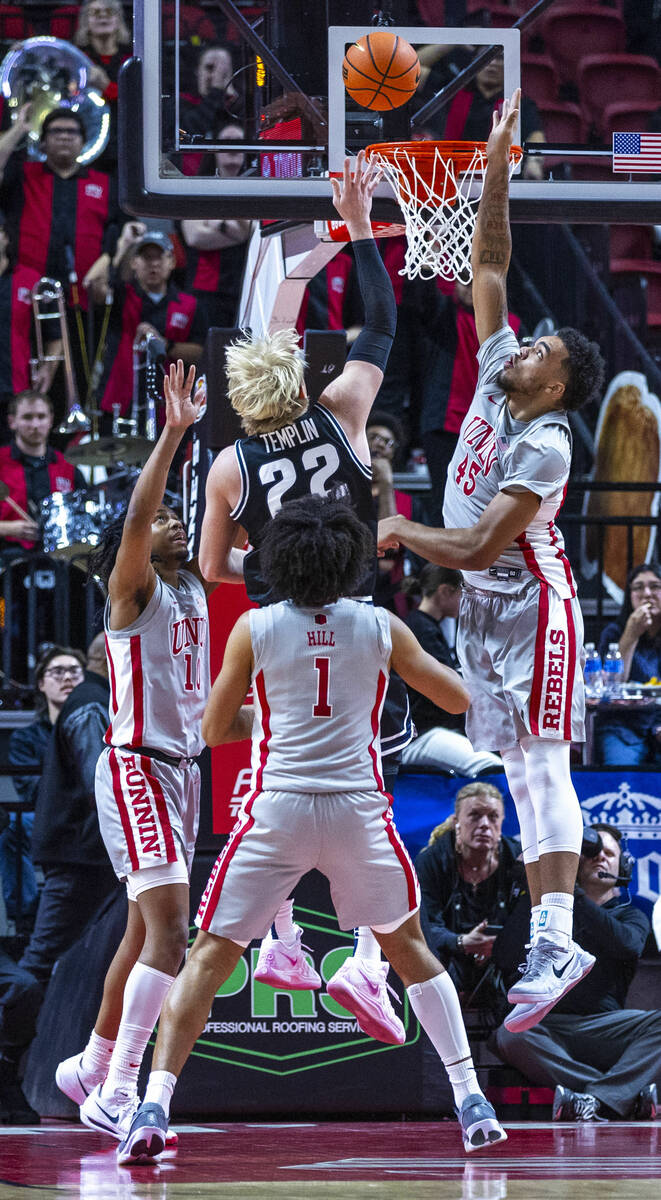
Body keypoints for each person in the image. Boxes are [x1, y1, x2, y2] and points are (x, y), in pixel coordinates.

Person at [120, 494, 507, 1164]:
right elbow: (455, 697)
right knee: (409, 951)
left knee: (209, 957)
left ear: (280, 562)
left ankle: (152, 1104)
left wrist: (269, 719)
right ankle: (471, 1100)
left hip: (280, 808)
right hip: (357, 807)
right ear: (351, 562)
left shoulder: (257, 626)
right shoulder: (381, 627)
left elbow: (213, 731)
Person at [378, 90, 607, 1035]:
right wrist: (496, 163)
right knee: (511, 770)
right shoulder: (496, 368)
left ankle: (558, 936)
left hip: (536, 606)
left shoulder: (548, 441)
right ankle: (551, 937)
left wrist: (398, 529)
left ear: (551, 381)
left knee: (544, 769)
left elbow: (475, 544)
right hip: (482, 610)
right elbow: (490, 258)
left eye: (540, 348)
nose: (521, 345)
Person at [197, 152, 414, 1043]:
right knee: (370, 796)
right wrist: (361, 227)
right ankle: (365, 961)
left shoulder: (228, 466)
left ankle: (282, 941)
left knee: (270, 800)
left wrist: (268, 557)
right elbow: (381, 321)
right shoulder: (343, 409)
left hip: (279, 633)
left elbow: (215, 572)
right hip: (359, 628)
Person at [55, 360, 214, 1147]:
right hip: (136, 764)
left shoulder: (196, 588)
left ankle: (89, 1061)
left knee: (142, 930)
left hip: (182, 769)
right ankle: (116, 1090)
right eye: (163, 520)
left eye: (179, 517)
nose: (174, 521)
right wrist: (173, 434)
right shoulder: (135, 586)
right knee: (171, 931)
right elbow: (137, 519)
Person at [0, 635, 115, 1124]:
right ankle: (6, 1070)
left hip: (90, 855)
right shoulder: (91, 707)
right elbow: (101, 782)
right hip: (83, 856)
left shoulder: (94, 701)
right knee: (36, 967)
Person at [492, 824, 661, 1122]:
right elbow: (505, 956)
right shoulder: (547, 914)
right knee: (508, 1035)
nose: (600, 859)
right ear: (574, 862)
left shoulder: (630, 915)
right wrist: (535, 891)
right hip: (545, 1025)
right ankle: (614, 1096)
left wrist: (568, 891)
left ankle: (592, 1099)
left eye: (609, 853)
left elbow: (626, 945)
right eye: (590, 853)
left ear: (622, 866)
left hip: (605, 1027)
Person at [416, 782, 526, 1021]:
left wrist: (497, 947)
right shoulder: (432, 861)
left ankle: (516, 1039)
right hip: (448, 956)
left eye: (493, 817)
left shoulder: (517, 860)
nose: (484, 825)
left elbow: (527, 924)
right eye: (474, 816)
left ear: (501, 823)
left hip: (503, 959)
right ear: (457, 821)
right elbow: (424, 928)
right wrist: (462, 942)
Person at [418, 279, 521, 526]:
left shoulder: (512, 325)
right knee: (444, 503)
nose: (466, 288)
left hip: (490, 431)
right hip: (445, 425)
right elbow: (425, 299)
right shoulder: (445, 314)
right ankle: (443, 565)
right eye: (462, 281)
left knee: (482, 506)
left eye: (473, 282)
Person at [4, 646, 86, 931]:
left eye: (74, 672)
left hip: (93, 817)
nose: (67, 678)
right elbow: (31, 792)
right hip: (47, 817)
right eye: (57, 672)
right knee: (14, 829)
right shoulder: (26, 738)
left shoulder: (99, 725)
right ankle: (27, 916)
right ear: (41, 683)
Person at [90, 227, 207, 423]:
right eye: (146, 257)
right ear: (134, 263)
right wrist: (122, 246)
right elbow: (93, 282)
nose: (153, 264)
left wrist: (163, 344)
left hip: (169, 409)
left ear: (172, 262)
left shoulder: (190, 304)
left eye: (159, 257)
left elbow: (201, 353)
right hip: (119, 406)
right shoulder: (120, 295)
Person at [401, 566, 502, 777]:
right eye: (463, 593)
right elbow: (443, 692)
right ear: (446, 591)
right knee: (492, 767)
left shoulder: (429, 626)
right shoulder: (420, 629)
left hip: (436, 729)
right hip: (420, 734)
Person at [179, 121, 252, 329]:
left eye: (239, 142)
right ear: (214, 150)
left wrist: (216, 225)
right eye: (226, 142)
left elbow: (251, 233)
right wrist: (236, 230)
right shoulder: (198, 189)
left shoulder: (259, 189)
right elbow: (195, 237)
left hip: (244, 293)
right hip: (204, 295)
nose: (232, 148)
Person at [0, 391, 86, 565]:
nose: (35, 424)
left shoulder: (68, 466)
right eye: (27, 417)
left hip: (59, 563)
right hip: (6, 559)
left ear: (51, 420)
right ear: (12, 422)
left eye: (41, 417)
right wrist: (6, 528)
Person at [596, 563, 661, 766]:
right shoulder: (614, 633)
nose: (647, 594)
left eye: (655, 586)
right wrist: (631, 634)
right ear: (629, 595)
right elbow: (611, 683)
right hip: (622, 725)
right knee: (619, 771)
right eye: (638, 587)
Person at [73, 0, 132, 174]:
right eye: (95, 13)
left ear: (119, 20)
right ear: (85, 22)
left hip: (125, 142)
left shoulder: (133, 57)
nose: (103, 17)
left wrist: (106, 87)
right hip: (85, 141)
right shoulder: (75, 57)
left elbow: (139, 101)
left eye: (109, 11)